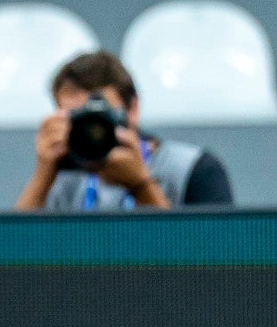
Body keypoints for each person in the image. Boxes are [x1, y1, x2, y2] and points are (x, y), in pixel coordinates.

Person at [15, 50, 233, 211]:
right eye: (77, 117)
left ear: (133, 108)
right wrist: (42, 176)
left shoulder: (194, 169)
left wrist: (141, 187)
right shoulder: (63, 178)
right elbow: (8, 257)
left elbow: (213, 262)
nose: (91, 128)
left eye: (102, 115)